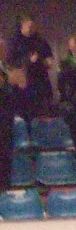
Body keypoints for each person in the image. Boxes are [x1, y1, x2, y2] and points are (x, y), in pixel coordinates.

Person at [8, 16, 56, 121]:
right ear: (22, 25)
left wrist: (48, 60)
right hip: (24, 86)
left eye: (33, 26)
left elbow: (48, 55)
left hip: (40, 83)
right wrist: (28, 60)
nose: (31, 29)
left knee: (42, 115)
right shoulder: (15, 42)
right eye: (29, 26)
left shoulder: (40, 41)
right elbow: (11, 62)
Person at [0, 58, 27, 190]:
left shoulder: (9, 86)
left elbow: (17, 104)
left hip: (5, 129)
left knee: (5, 163)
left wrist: (19, 86)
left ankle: (4, 191)